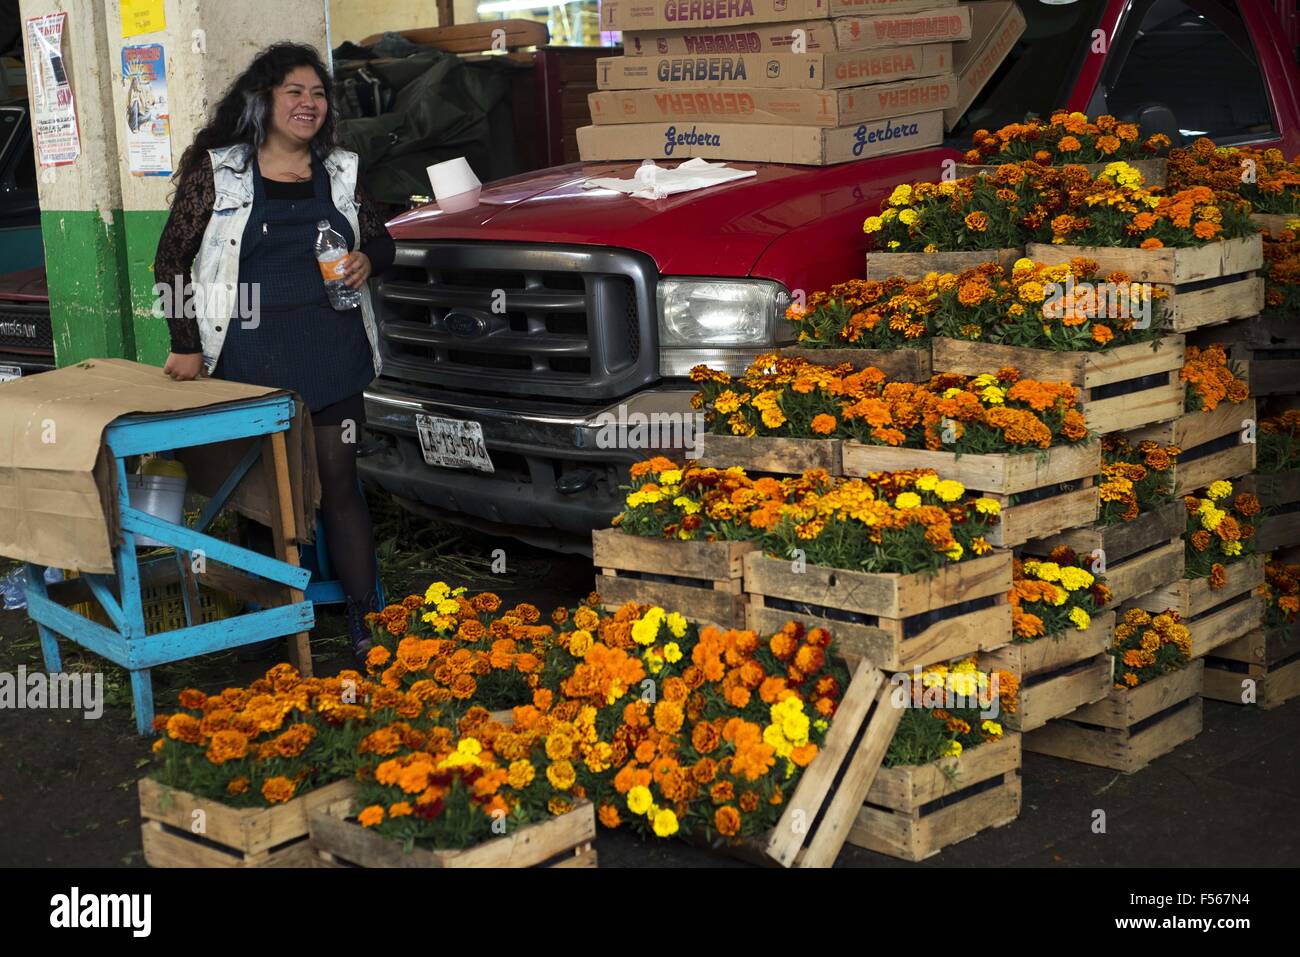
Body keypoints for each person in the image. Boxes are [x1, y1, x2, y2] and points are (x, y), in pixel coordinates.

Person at [155, 42, 392, 664]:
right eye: (294, 91)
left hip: (332, 350)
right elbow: (171, 260)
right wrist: (184, 347)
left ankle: (368, 622)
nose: (308, 104)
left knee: (339, 485)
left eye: (317, 94)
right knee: (264, 494)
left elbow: (383, 241)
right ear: (263, 100)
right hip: (250, 354)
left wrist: (369, 258)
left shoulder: (341, 170)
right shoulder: (221, 170)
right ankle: (271, 629)